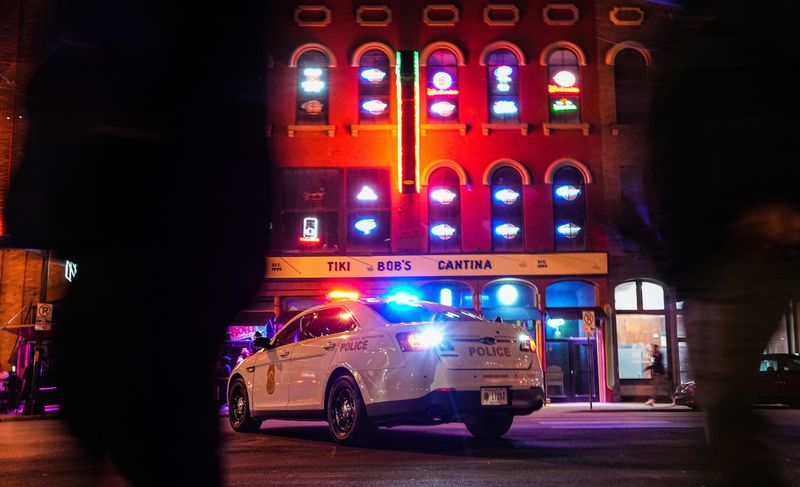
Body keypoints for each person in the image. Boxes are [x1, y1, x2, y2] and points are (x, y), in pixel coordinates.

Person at [4, 2, 273, 484]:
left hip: (155, 254)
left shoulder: (187, 54)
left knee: (148, 429)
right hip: (158, 254)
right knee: (143, 426)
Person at [643, 1, 800, 484]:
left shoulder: (753, 33)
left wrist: (782, 199)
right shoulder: (688, 42)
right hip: (702, 252)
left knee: (727, 408)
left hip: (748, 240)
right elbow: (671, 148)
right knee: (722, 409)